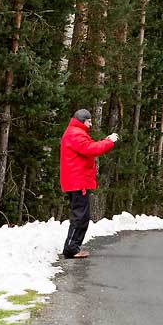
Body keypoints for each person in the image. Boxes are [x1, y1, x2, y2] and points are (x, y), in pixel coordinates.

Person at [60, 109, 119, 258]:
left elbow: (88, 147)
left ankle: (73, 246)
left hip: (77, 181)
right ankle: (71, 248)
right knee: (80, 216)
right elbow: (91, 149)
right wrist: (109, 141)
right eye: (89, 121)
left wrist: (105, 141)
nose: (91, 124)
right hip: (78, 181)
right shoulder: (76, 133)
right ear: (82, 120)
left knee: (81, 215)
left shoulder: (75, 132)